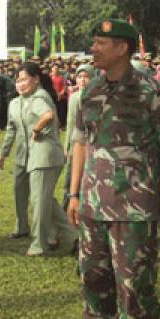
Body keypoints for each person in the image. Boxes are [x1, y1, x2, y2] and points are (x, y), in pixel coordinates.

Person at [67, 19, 160, 319]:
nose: (94, 48)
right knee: (93, 278)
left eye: (101, 42)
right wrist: (72, 194)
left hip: (135, 206)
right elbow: (81, 142)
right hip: (92, 205)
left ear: (122, 48)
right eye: (95, 41)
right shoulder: (91, 90)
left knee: (135, 286)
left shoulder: (150, 89)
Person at [0, 63, 77, 256]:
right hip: (33, 156)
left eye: (24, 79)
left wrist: (36, 129)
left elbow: (49, 115)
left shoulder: (39, 97)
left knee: (40, 201)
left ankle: (39, 243)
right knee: (44, 200)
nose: (20, 84)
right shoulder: (19, 102)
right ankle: (75, 236)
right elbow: (11, 129)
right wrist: (4, 152)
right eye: (17, 80)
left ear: (36, 79)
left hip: (45, 156)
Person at [62, 63, 95, 210]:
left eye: (86, 77)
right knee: (70, 174)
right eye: (79, 77)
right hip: (74, 142)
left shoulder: (96, 97)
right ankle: (67, 202)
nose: (82, 80)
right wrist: (66, 145)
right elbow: (70, 122)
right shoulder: (74, 97)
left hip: (90, 143)